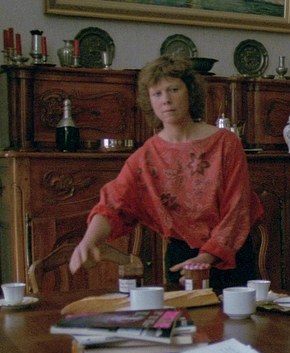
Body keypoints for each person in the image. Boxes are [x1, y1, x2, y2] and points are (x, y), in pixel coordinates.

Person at [69, 55, 263, 291]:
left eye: (174, 90)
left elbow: (238, 208)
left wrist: (207, 258)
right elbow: (114, 204)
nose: (166, 100)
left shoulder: (225, 143)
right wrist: (89, 241)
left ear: (190, 92)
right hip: (182, 260)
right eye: (157, 93)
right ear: (149, 101)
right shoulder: (146, 157)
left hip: (231, 257)